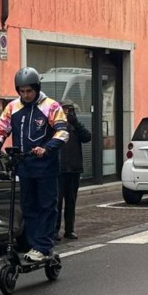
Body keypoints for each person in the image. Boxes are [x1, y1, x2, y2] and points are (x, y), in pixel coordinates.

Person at [0, 67, 69, 262]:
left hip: (46, 167)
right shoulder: (12, 107)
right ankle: (33, 245)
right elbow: (1, 129)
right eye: (21, 91)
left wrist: (46, 148)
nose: (25, 95)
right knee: (28, 207)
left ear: (37, 88)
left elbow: (63, 132)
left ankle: (43, 246)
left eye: (29, 91)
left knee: (47, 206)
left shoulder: (51, 106)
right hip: (24, 167)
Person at [56, 101, 93, 241]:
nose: (67, 113)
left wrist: (75, 123)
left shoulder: (76, 127)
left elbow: (87, 137)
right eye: (64, 110)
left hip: (74, 168)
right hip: (59, 169)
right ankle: (54, 230)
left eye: (69, 110)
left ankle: (69, 230)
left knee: (71, 201)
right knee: (57, 201)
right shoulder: (55, 125)